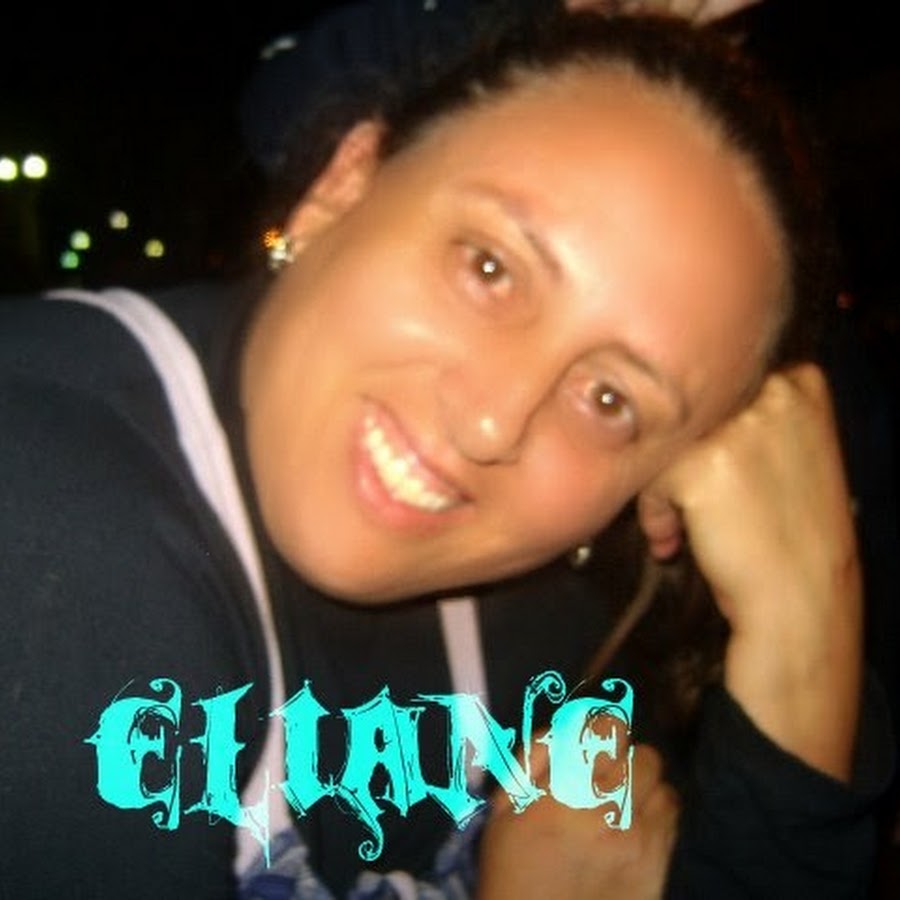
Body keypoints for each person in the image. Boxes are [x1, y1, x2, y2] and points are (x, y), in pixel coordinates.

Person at [0, 8, 892, 899]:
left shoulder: (549, 631)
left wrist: (803, 643)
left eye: (610, 400)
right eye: (490, 267)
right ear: (344, 184)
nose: (492, 424)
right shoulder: (47, 516)